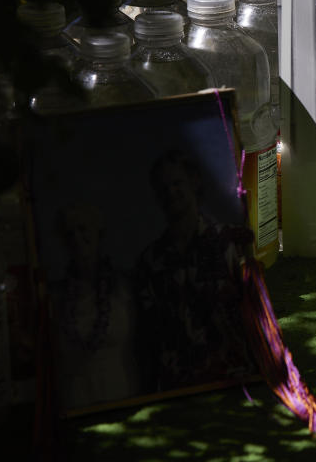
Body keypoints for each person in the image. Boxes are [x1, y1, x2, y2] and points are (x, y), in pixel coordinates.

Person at [136, 149, 253, 392]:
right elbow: (149, 335)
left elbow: (252, 310)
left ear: (194, 182)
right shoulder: (150, 261)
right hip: (178, 385)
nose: (171, 192)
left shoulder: (230, 242)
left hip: (233, 378)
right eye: (163, 187)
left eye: (177, 183)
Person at [50, 203, 141, 409]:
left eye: (82, 229)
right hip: (77, 403)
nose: (76, 238)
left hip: (124, 396)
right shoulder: (56, 297)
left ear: (98, 232)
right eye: (69, 233)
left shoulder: (124, 287)